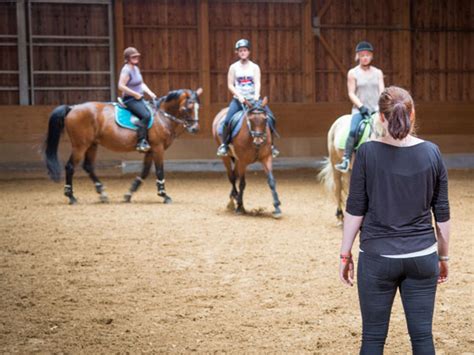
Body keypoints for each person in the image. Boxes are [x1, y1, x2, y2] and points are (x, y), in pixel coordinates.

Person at [339, 86, 450, 355]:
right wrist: (443, 258)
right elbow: (443, 214)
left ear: (381, 117)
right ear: (412, 114)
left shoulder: (365, 153)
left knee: (373, 339)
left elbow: (355, 210)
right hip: (422, 257)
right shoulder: (433, 152)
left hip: (377, 258)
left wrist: (345, 254)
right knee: (423, 338)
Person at [217, 39, 279, 158]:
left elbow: (257, 83)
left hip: (254, 99)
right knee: (227, 121)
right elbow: (230, 84)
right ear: (237, 53)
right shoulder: (233, 67)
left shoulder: (255, 67)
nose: (243, 52)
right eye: (240, 51)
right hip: (238, 100)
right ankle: (224, 145)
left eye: (245, 50)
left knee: (271, 117)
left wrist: (256, 96)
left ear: (248, 52)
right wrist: (239, 96)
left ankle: (272, 145)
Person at [335, 41, 385, 173]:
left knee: (388, 129)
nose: (365, 57)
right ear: (358, 56)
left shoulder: (378, 73)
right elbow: (351, 93)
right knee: (354, 130)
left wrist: (379, 107)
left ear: (371, 56)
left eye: (367, 55)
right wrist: (361, 107)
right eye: (362, 55)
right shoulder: (353, 73)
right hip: (360, 110)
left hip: (376, 111)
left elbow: (382, 91)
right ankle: (346, 159)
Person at [118, 47, 157, 153]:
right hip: (130, 99)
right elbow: (121, 86)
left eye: (137, 56)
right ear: (127, 58)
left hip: (139, 97)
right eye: (133, 57)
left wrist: (150, 92)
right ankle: (141, 142)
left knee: (153, 111)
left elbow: (141, 84)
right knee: (146, 115)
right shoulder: (126, 70)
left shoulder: (136, 68)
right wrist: (135, 94)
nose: (136, 58)